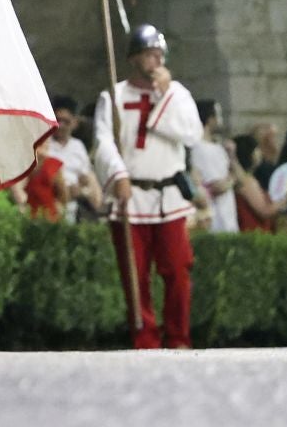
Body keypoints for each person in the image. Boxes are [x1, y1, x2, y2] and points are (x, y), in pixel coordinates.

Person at [93, 23, 200, 350]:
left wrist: (164, 96)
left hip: (167, 197)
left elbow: (191, 133)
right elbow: (103, 141)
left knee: (177, 270)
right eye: (149, 54)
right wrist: (118, 175)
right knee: (135, 275)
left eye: (159, 55)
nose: (156, 60)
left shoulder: (177, 95)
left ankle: (178, 337)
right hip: (130, 196)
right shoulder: (113, 96)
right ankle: (145, 339)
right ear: (134, 58)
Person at [190, 99, 238, 233]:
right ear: (210, 119)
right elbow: (216, 186)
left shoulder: (217, 146)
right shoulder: (200, 148)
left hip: (228, 215)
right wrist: (233, 179)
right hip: (216, 218)